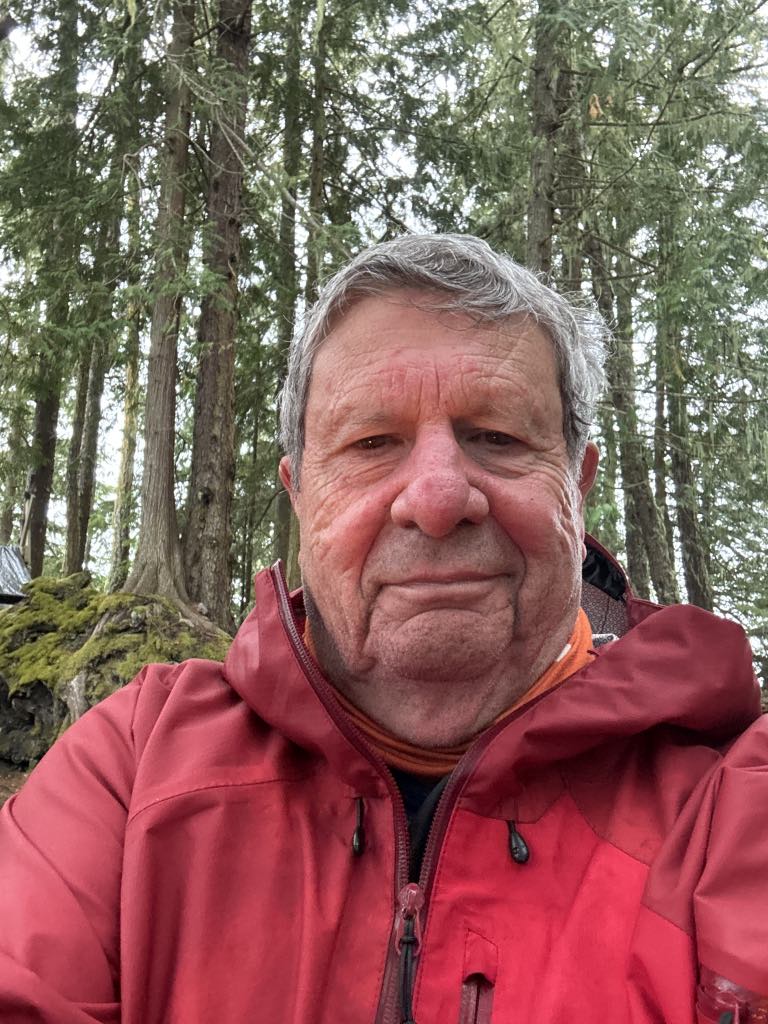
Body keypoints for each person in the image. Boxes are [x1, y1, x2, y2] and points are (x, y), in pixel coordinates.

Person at [0, 234, 766, 1024]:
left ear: (579, 483)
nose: (436, 499)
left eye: (497, 437)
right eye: (371, 444)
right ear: (300, 497)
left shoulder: (733, 805)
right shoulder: (133, 770)